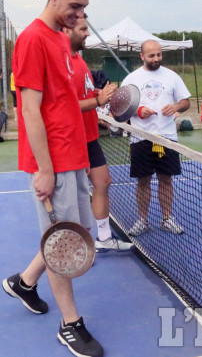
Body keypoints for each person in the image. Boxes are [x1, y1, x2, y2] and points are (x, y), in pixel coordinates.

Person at [0, 0, 104, 357]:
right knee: (64, 244)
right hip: (54, 163)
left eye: (84, 9)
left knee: (71, 236)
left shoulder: (62, 41)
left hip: (73, 154)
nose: (80, 16)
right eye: (75, 7)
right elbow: (29, 110)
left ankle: (25, 282)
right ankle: (70, 325)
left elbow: (62, 104)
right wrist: (44, 169)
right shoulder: (31, 40)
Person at [65, 15, 133, 253]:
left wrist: (99, 92)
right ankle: (75, 247)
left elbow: (83, 92)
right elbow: (64, 104)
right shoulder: (62, 62)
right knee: (75, 195)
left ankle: (103, 237)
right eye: (83, 29)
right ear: (67, 29)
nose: (87, 33)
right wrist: (98, 100)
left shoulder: (80, 62)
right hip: (73, 137)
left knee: (103, 182)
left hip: (90, 134)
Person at [121, 40, 191, 237]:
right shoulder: (131, 79)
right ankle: (143, 220)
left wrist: (176, 107)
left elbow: (186, 102)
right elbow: (121, 107)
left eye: (159, 55)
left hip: (167, 138)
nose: (156, 59)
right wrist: (139, 110)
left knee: (166, 180)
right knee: (143, 181)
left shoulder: (172, 77)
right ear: (142, 56)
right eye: (151, 56)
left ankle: (167, 218)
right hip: (140, 138)